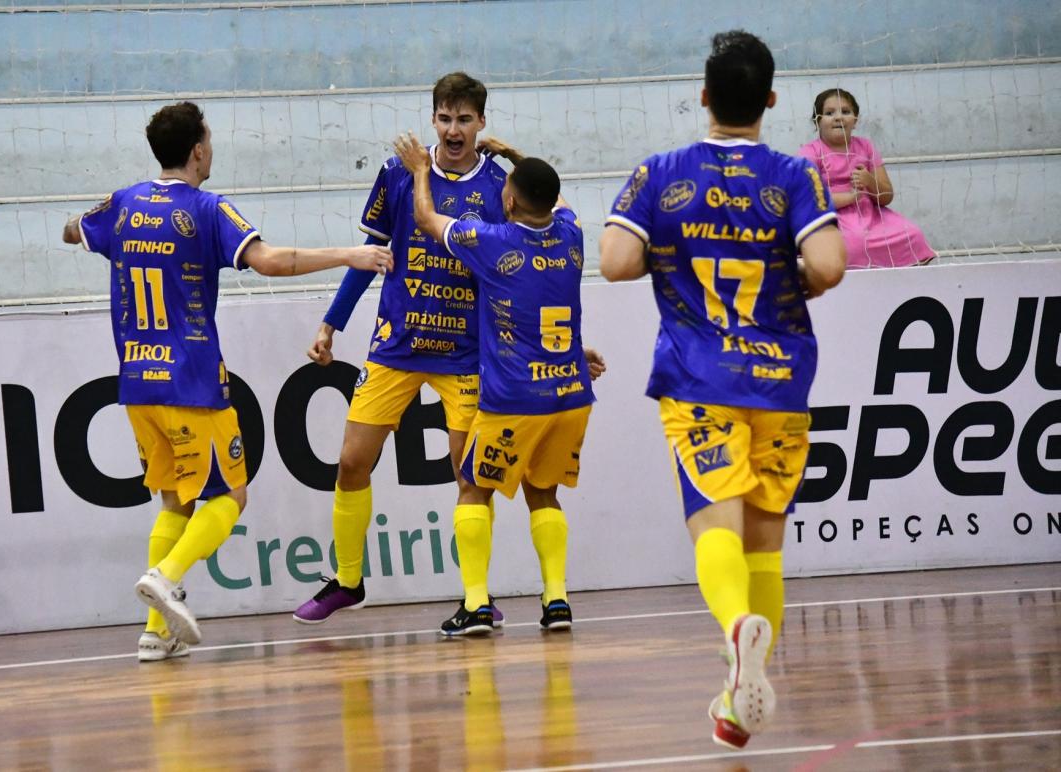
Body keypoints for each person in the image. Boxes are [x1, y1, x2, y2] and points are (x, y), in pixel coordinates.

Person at [61, 101, 392, 661]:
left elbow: (73, 232)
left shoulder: (122, 204)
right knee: (228, 495)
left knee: (174, 501)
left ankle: (155, 633)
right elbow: (270, 261)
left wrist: (82, 222)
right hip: (191, 381)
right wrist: (349, 255)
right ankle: (166, 577)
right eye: (209, 141)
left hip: (136, 381)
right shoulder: (207, 208)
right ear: (198, 151)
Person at [599, 31, 846, 749]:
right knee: (765, 542)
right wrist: (788, 271)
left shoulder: (661, 172)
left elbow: (615, 261)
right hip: (780, 377)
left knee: (716, 529)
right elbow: (829, 265)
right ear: (771, 99)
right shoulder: (795, 175)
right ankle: (738, 706)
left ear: (704, 96)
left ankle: (737, 630)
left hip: (698, 376)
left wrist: (674, 255)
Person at [292, 72, 513, 625]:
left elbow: (515, 271)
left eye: (464, 119)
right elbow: (372, 254)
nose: (454, 130)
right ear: (432, 119)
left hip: (466, 353)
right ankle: (348, 581)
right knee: (351, 463)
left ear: (482, 122)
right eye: (445, 118)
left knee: (470, 478)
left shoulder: (498, 185)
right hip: (396, 347)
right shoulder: (397, 173)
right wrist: (331, 323)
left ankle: (478, 599)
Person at [393, 131, 602, 636]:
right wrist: (514, 155)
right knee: (543, 493)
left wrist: (420, 172)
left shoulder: (492, 241)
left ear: (508, 201)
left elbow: (426, 219)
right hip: (570, 393)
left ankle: (476, 605)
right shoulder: (572, 232)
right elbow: (554, 194)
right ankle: (557, 601)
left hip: (515, 398)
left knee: (472, 488)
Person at [799, 88, 935, 269]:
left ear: (855, 120)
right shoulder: (810, 152)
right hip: (831, 216)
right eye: (829, 113)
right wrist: (850, 197)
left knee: (913, 236)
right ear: (817, 121)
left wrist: (869, 181)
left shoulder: (866, 146)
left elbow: (886, 196)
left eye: (845, 112)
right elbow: (810, 200)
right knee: (854, 243)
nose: (838, 117)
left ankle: (899, 282)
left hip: (871, 214)